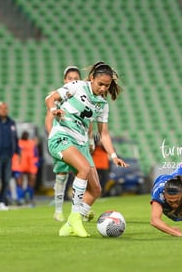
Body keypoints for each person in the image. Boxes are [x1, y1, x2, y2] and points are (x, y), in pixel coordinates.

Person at [45, 61, 128, 237]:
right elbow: (50, 98)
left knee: (96, 189)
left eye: (107, 85)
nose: (104, 88)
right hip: (62, 137)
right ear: (92, 78)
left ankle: (68, 226)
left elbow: (103, 134)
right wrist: (54, 110)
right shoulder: (77, 86)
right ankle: (75, 217)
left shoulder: (102, 105)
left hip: (81, 144)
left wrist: (113, 156)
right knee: (83, 169)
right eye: (101, 84)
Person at [45, 66, 83, 221]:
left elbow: (88, 121)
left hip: (79, 139)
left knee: (83, 173)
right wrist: (53, 138)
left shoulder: (82, 96)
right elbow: (49, 119)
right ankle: (58, 211)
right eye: (70, 78)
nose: (73, 80)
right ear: (64, 80)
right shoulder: (58, 96)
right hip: (62, 139)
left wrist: (90, 138)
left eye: (76, 78)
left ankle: (81, 210)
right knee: (62, 175)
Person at [12, 131, 39, 207]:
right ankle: (20, 198)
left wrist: (36, 163)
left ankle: (29, 196)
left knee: (32, 179)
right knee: (19, 182)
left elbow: (35, 154)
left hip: (29, 165)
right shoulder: (18, 143)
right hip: (19, 164)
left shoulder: (31, 143)